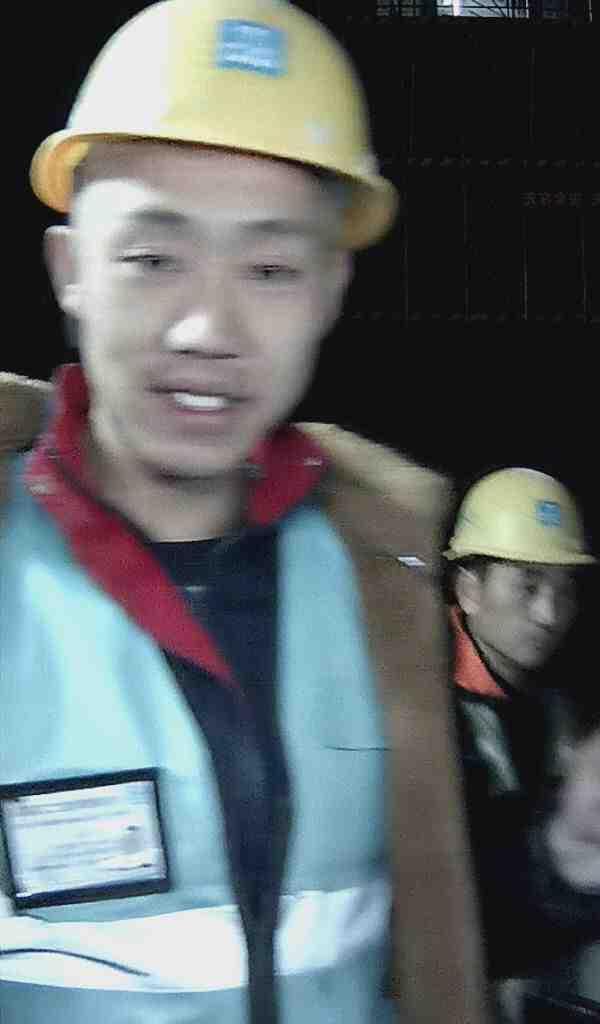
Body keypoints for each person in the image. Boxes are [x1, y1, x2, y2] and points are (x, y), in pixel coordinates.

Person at [0, 2, 490, 1023]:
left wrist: (569, 857)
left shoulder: (382, 578)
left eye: (269, 270)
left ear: (329, 290)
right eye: (153, 259)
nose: (206, 328)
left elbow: (441, 921)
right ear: (70, 271)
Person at [444, 467, 600, 1022]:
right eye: (528, 585)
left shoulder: (552, 706)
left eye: (564, 589)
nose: (549, 614)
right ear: (469, 588)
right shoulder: (419, 709)